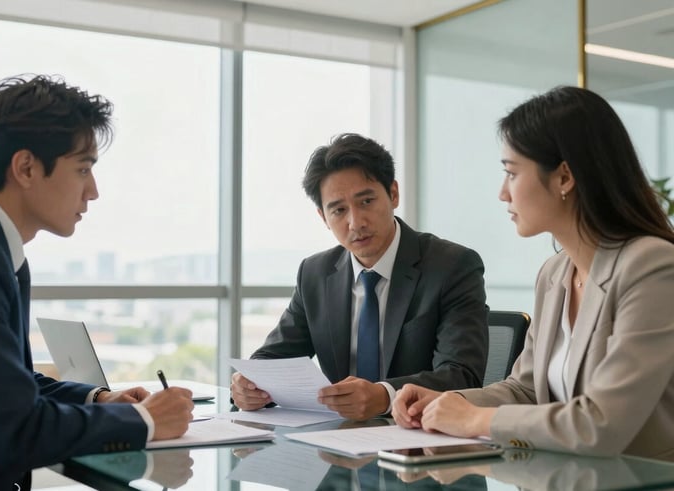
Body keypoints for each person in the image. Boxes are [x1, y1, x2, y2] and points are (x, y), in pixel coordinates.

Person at [0, 75, 194, 490]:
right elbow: (16, 429)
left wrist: (96, 398)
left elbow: (2, 381)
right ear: (26, 167)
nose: (92, 192)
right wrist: (146, 420)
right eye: (82, 169)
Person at [392, 86, 674, 461]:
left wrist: (476, 419)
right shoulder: (554, 273)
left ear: (564, 178)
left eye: (511, 173)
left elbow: (602, 424)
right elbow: (526, 390)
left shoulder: (652, 266)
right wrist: (449, 401)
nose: (502, 194)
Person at [231, 133, 488, 421]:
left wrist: (384, 396)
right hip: (339, 445)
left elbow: (462, 375)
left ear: (393, 194)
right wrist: (248, 387)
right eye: (339, 210)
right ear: (323, 217)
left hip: (418, 441)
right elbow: (272, 360)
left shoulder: (452, 266)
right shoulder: (315, 274)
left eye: (366, 201)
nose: (356, 222)